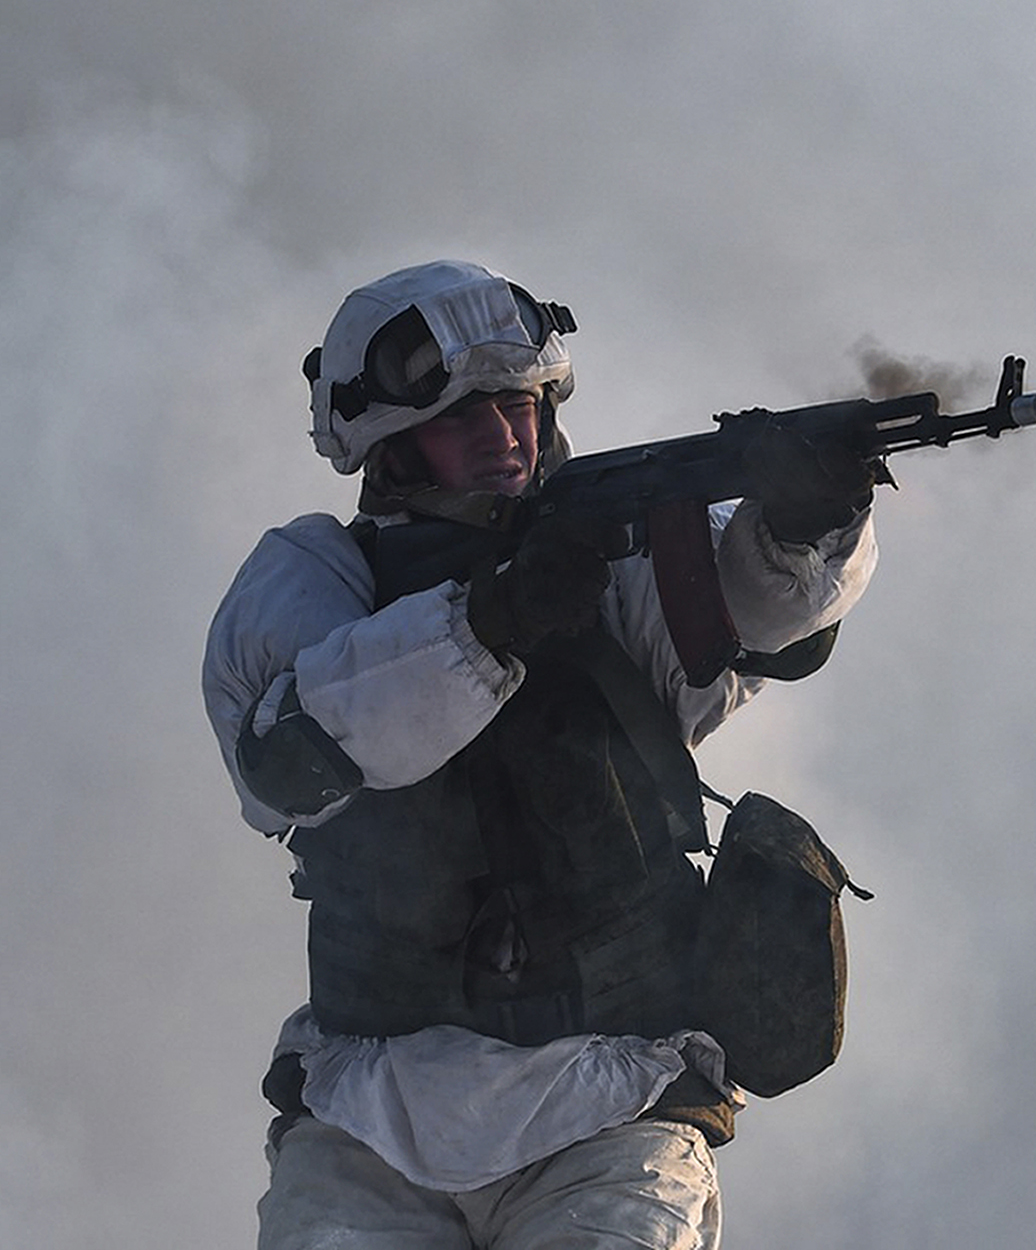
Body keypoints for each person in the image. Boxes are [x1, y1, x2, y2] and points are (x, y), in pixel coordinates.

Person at [202, 259, 878, 1249]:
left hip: (612, 1099)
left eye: (518, 407)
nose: (503, 439)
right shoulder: (312, 579)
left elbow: (766, 614)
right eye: (463, 417)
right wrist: (488, 621)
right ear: (388, 444)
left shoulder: (612, 556)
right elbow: (296, 756)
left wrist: (810, 516)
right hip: (371, 1112)